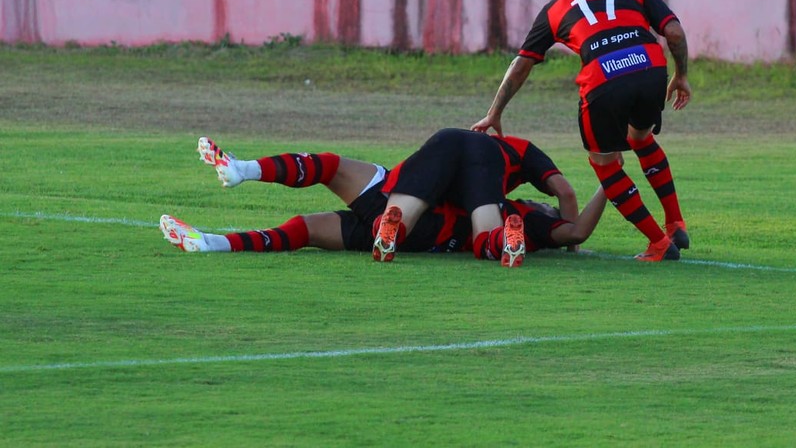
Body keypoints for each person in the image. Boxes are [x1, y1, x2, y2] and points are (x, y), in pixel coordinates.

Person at [471, 0, 691, 263]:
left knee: (605, 163)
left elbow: (522, 63)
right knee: (640, 137)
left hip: (603, 77)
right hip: (650, 67)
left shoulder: (558, 6)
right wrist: (681, 74)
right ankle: (675, 223)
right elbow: (674, 33)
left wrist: (494, 113)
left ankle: (660, 244)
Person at [160, 134, 604, 265]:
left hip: (405, 205)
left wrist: (609, 181)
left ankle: (244, 169)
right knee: (307, 229)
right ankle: (212, 243)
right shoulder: (519, 214)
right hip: (418, 231)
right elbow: (571, 221)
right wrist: (612, 185)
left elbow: (569, 207)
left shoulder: (522, 201)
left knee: (330, 166)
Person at [369, 128, 577, 267]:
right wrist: (572, 248)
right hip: (485, 154)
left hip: (447, 138)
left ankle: (389, 228)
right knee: (486, 238)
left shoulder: (520, 147)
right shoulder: (522, 158)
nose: (538, 203)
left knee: (400, 216)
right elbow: (565, 193)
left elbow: (566, 193)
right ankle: (504, 239)